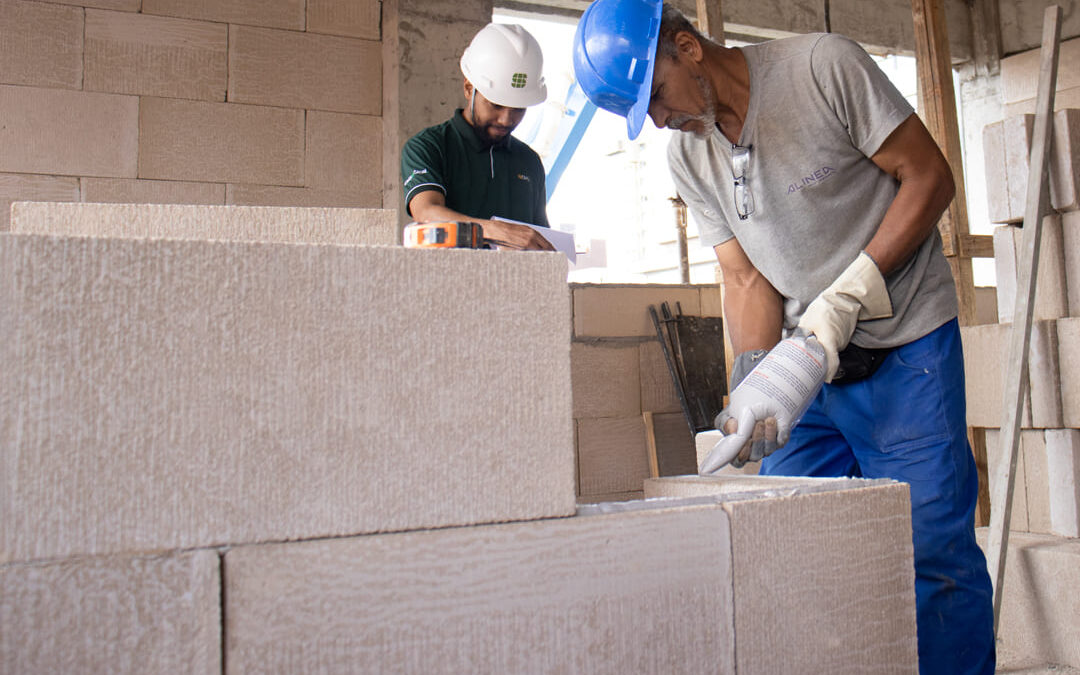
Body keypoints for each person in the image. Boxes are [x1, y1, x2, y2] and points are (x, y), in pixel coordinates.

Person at [573, 1, 995, 673]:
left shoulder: (822, 68)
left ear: (687, 48)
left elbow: (930, 176)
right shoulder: (688, 154)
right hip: (809, 371)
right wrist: (752, 380)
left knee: (932, 550)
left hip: (906, 347)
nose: (658, 121)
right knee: (789, 540)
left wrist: (847, 298)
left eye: (654, 97)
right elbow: (743, 276)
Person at [401, 23, 554, 251]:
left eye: (519, 108)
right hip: (447, 284)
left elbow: (538, 236)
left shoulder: (529, 161)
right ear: (468, 88)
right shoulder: (428, 147)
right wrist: (498, 232)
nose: (506, 119)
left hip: (515, 285)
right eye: (496, 105)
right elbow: (427, 213)